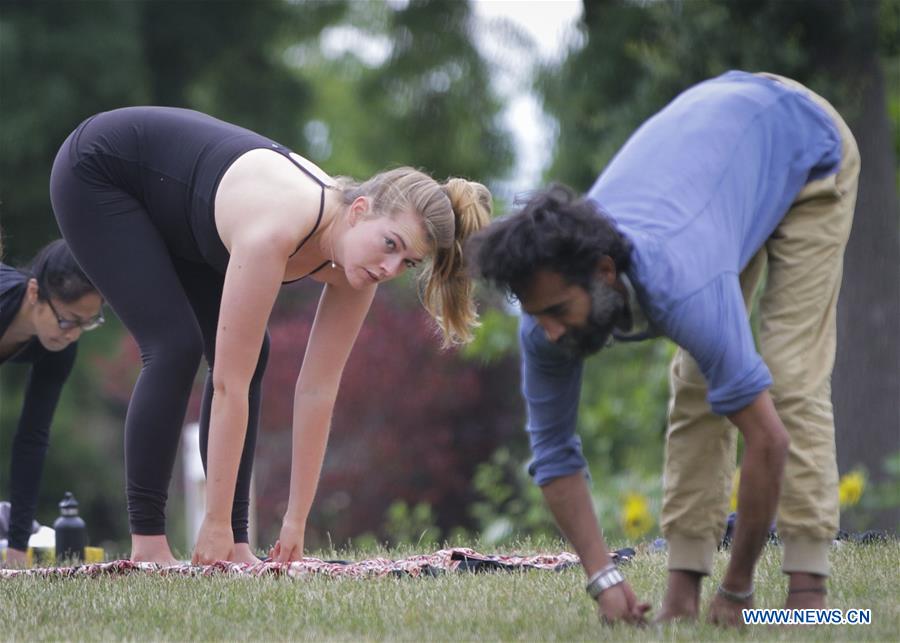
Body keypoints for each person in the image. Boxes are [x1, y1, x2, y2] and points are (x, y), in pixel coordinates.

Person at [468, 71, 859, 627]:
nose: (549, 332)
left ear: (605, 273)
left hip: (803, 141)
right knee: (699, 382)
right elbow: (553, 455)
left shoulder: (683, 286)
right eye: (536, 316)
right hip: (715, 169)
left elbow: (768, 440)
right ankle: (681, 599)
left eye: (558, 312)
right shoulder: (543, 318)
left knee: (789, 378)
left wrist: (739, 590)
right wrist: (603, 578)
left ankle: (807, 597)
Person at [50, 106, 491, 566]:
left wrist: (295, 522)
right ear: (360, 211)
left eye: (408, 264)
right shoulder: (276, 229)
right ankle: (149, 549)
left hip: (185, 213)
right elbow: (227, 386)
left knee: (249, 352)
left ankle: (238, 544)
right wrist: (212, 522)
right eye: (391, 245)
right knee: (174, 346)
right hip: (101, 172)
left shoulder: (360, 268)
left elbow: (318, 390)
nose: (390, 268)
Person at [0, 239, 104, 568]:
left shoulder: (59, 348)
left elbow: (32, 438)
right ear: (35, 293)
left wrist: (17, 548)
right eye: (67, 320)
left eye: (86, 323)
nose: (73, 334)